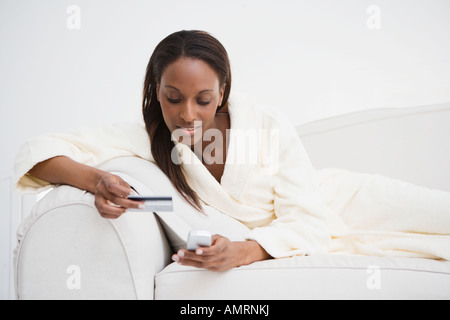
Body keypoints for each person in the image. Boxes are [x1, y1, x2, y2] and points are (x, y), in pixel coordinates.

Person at [14, 30, 450, 272]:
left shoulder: (266, 124)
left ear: (222, 92)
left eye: (203, 99)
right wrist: (98, 181)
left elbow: (309, 218)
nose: (187, 114)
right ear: (155, 92)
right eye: (172, 97)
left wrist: (245, 250)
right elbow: (41, 149)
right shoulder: (147, 138)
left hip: (341, 201)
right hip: (288, 239)